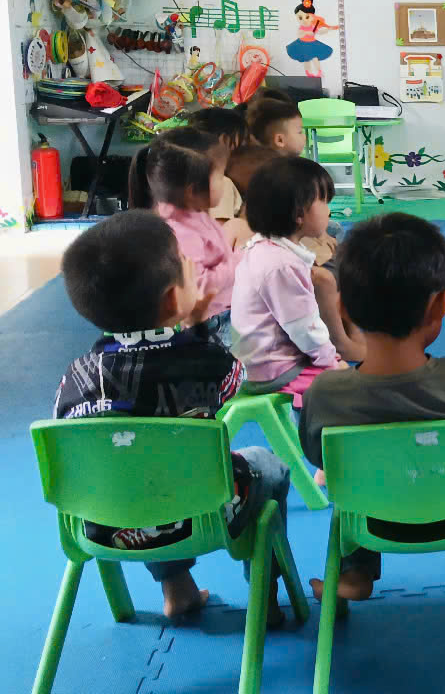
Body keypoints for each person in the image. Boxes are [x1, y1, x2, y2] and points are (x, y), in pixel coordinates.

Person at [55, 210, 291, 626]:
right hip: (201, 514)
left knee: (138, 469)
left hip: (105, 521)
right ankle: (263, 597)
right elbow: (233, 385)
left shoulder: (76, 375)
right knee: (267, 465)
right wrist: (198, 327)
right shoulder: (205, 359)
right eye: (187, 266)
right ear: (171, 299)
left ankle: (176, 588)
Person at [299, 213, 445, 601]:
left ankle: (355, 572)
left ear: (343, 308)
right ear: (440, 305)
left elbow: (318, 457)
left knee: (347, 470)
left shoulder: (326, 393)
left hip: (374, 521)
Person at [231, 156, 346, 409]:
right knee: (347, 383)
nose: (328, 210)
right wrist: (330, 362)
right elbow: (304, 328)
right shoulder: (282, 265)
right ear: (298, 213)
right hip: (273, 370)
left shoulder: (264, 248)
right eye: (324, 201)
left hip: (260, 363)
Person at [128, 127, 239, 332]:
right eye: (221, 176)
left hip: (222, 309)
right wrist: (237, 264)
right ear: (192, 190)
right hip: (210, 322)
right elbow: (197, 285)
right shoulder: (181, 232)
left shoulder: (193, 213)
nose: (224, 183)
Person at [187, 106, 252, 250]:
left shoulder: (194, 178)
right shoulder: (221, 184)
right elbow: (221, 238)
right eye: (243, 144)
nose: (246, 152)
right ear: (224, 140)